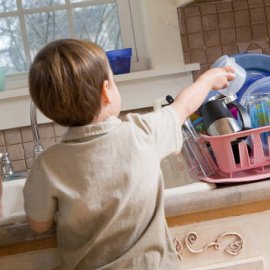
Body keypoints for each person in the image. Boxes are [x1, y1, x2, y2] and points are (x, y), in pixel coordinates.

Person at [23, 38, 235, 270]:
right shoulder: (143, 132)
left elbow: (39, 225)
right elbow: (183, 106)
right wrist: (207, 80)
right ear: (107, 92)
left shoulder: (47, 164)